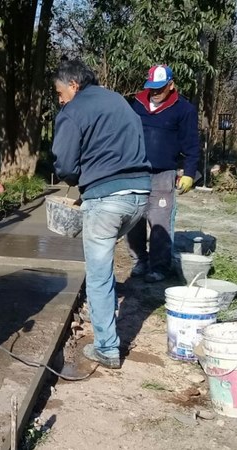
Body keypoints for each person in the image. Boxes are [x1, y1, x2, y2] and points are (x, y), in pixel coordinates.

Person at [51, 59, 151, 369]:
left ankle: (107, 348)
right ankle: (104, 320)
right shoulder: (119, 100)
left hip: (106, 199)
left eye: (59, 92)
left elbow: (65, 165)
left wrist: (77, 180)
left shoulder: (73, 111)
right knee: (103, 258)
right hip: (139, 196)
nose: (59, 99)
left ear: (74, 86)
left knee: (98, 273)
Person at [126, 64, 201, 283]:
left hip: (163, 174)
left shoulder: (183, 110)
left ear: (171, 85)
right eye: (152, 88)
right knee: (133, 219)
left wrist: (189, 172)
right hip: (135, 170)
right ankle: (139, 260)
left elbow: (192, 145)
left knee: (159, 221)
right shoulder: (136, 105)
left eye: (160, 88)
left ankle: (159, 267)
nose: (155, 93)